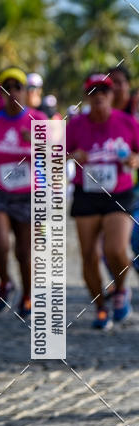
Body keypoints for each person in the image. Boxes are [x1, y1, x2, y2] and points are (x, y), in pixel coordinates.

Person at [67, 73, 139, 329]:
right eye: (93, 91)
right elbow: (56, 153)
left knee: (115, 249)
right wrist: (72, 154)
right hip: (86, 194)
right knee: (88, 256)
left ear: (111, 95)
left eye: (104, 91)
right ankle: (99, 307)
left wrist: (134, 160)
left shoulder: (127, 122)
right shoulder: (75, 124)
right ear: (86, 96)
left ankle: (120, 290)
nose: (99, 96)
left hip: (118, 194)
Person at [0, 67, 47, 317]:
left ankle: (28, 294)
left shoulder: (38, 119)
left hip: (28, 192)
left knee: (24, 252)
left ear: (25, 91)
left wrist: (33, 140)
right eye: (6, 88)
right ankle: (5, 282)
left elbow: (55, 156)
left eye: (17, 87)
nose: (12, 93)